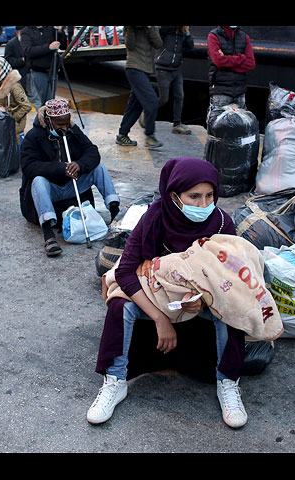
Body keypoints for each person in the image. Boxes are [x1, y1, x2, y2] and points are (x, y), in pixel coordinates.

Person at [88, 157, 249, 429]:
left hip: (201, 302)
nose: (203, 205)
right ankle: (115, 380)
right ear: (174, 195)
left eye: (210, 196)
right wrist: (160, 319)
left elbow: (230, 277)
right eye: (194, 196)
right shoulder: (153, 219)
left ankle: (227, 382)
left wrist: (203, 300)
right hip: (158, 294)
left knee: (234, 306)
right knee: (120, 304)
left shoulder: (222, 224)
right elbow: (126, 271)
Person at [19, 99, 120, 257]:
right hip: (50, 189)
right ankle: (49, 236)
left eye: (66, 123)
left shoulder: (72, 130)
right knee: (38, 181)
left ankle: (115, 214)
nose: (64, 128)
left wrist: (79, 164)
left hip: (71, 186)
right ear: (49, 120)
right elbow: (28, 166)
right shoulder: (34, 136)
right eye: (60, 124)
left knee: (98, 169)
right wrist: (60, 169)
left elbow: (92, 152)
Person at [115, 26, 163, 149]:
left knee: (135, 105)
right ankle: (150, 136)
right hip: (134, 67)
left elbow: (158, 43)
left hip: (146, 69)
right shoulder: (130, 28)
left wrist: (150, 28)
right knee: (151, 101)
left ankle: (122, 134)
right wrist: (131, 29)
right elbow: (129, 45)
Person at [206, 26, 255, 114]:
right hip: (221, 91)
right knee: (218, 125)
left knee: (240, 126)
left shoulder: (244, 36)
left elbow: (251, 64)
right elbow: (219, 61)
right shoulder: (213, 36)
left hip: (240, 92)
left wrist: (226, 62)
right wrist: (242, 58)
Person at [155, 26, 194, 135]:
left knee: (179, 96)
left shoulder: (182, 34)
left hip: (176, 68)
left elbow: (191, 46)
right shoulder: (167, 31)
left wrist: (187, 33)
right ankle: (146, 110)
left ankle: (177, 124)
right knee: (163, 98)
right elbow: (162, 30)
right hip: (163, 67)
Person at [0, 57, 33, 144]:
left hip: (14, 126)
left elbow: (27, 106)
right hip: (6, 123)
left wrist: (13, 117)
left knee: (16, 150)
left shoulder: (14, 86)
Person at [20, 26, 67, 109]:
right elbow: (28, 50)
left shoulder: (50, 28)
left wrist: (60, 32)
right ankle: (42, 120)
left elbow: (63, 46)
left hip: (52, 69)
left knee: (51, 99)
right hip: (38, 71)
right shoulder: (26, 31)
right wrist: (48, 47)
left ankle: (46, 119)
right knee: (47, 101)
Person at [4, 26, 29, 92]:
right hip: (20, 75)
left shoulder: (30, 42)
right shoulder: (11, 44)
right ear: (17, 32)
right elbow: (8, 60)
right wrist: (21, 60)